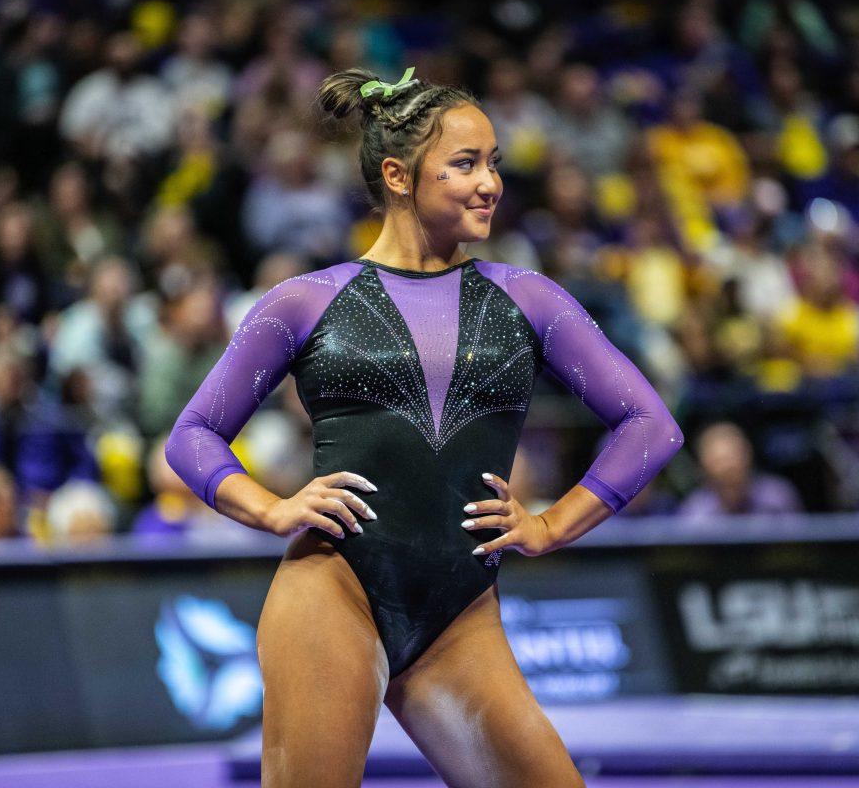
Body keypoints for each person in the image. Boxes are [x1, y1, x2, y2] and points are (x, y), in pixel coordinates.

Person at [166, 67, 683, 787]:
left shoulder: (528, 299)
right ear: (398, 176)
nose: (490, 183)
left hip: (458, 615)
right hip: (334, 592)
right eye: (465, 164)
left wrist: (552, 524)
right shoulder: (305, 302)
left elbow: (650, 425)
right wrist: (274, 508)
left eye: (493, 163)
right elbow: (192, 435)